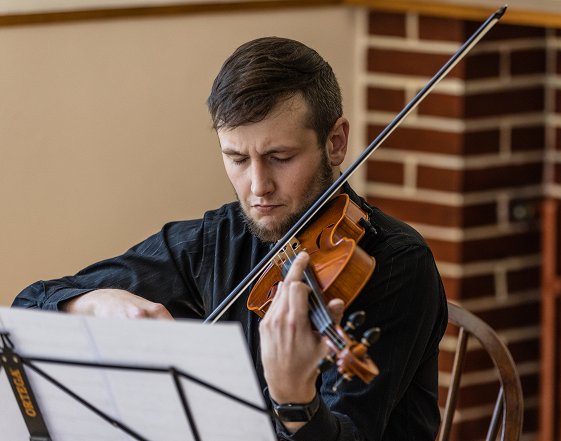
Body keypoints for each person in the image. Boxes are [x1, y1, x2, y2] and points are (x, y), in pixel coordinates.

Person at [13, 37, 447, 441]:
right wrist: (94, 302)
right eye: (237, 158)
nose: (258, 186)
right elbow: (31, 303)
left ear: (335, 143)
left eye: (279, 158)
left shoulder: (394, 264)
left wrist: (294, 399)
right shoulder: (218, 238)